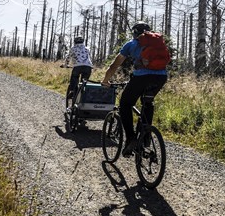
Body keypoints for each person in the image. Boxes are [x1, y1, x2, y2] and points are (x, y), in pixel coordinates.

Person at [101, 21, 168, 157]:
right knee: (147, 103)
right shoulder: (157, 44)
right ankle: (145, 137)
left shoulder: (131, 44)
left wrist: (105, 80)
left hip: (141, 78)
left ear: (135, 33)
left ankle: (131, 139)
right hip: (161, 78)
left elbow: (115, 65)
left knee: (125, 104)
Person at [64, 36, 93, 102]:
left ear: (75, 42)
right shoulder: (87, 48)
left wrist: (66, 65)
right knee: (84, 82)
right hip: (88, 67)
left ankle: (72, 91)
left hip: (77, 66)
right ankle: (83, 95)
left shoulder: (73, 48)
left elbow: (68, 58)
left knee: (74, 78)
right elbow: (88, 58)